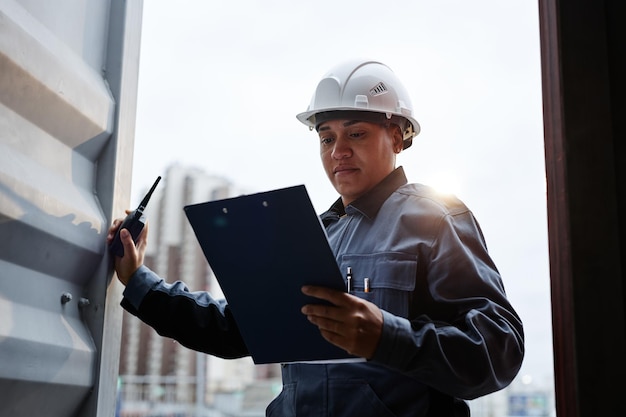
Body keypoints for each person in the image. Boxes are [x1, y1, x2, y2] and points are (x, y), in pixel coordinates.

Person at [108, 60, 524, 416]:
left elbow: (498, 348)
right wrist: (139, 279)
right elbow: (237, 329)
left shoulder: (435, 217)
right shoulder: (312, 235)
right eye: (327, 138)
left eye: (355, 133)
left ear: (396, 137)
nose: (337, 151)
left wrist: (387, 338)